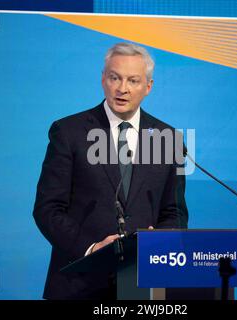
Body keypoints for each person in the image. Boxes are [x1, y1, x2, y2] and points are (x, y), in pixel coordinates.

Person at [33, 42, 188, 300]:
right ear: (103, 79)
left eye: (133, 80)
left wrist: (158, 243)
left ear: (148, 87)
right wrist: (91, 248)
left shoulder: (167, 139)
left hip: (143, 286)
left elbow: (175, 212)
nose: (122, 88)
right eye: (115, 78)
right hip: (79, 285)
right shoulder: (70, 133)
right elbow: (47, 209)